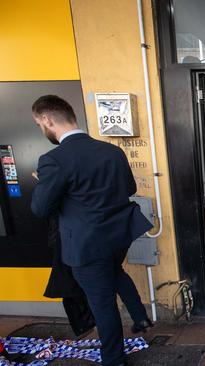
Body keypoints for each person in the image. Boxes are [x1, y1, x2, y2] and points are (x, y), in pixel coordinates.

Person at [30, 95, 153, 366]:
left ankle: (114, 359)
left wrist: (45, 184)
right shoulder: (112, 151)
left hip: (85, 244)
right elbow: (129, 189)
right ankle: (139, 316)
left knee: (102, 303)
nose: (42, 129)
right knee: (114, 272)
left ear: (47, 119)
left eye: (40, 124)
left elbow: (40, 208)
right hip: (117, 236)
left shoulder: (54, 159)